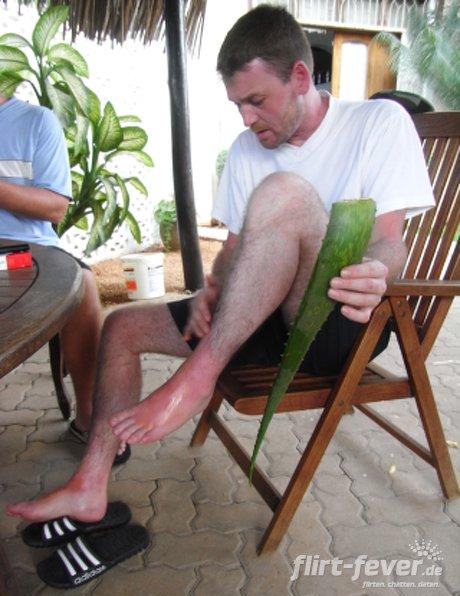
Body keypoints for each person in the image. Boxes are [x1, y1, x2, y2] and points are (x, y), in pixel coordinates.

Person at [7, 5, 435, 523]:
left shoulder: (377, 123)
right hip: (258, 319)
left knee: (284, 193)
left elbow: (390, 243)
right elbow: (233, 252)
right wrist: (209, 295)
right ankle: (89, 483)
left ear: (300, 77)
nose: (246, 119)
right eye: (237, 105)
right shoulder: (246, 148)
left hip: (337, 324)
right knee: (120, 327)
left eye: (256, 101)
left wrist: (377, 271)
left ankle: (198, 376)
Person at [0, 94, 106, 451]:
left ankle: (89, 416)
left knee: (82, 285)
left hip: (21, 256)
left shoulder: (36, 122)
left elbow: (55, 207)